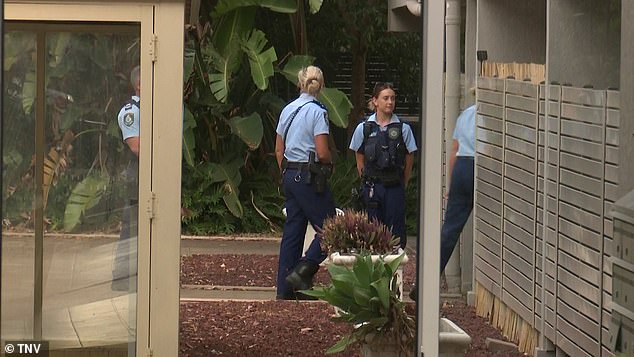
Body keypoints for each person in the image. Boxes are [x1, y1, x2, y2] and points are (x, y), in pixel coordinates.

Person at [274, 65, 336, 300]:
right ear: (321, 85)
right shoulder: (317, 112)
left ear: (300, 84)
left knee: (293, 231)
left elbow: (279, 149)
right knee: (331, 228)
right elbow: (322, 152)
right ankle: (304, 270)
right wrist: (330, 163)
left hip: (289, 174)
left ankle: (285, 288)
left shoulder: (288, 109)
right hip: (309, 176)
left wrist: (286, 172)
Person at [409, 102, 476, 301]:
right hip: (481, 164)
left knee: (449, 230)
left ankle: (424, 281)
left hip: (462, 166)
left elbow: (454, 149)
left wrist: (451, 185)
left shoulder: (466, 114)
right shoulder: (496, 115)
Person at [348, 82, 417, 249]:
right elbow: (359, 154)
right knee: (372, 231)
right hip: (372, 187)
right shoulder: (364, 128)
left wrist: (404, 182)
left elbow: (409, 156)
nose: (390, 102)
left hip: (394, 186)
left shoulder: (403, 128)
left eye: (393, 98)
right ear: (375, 101)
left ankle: (394, 268)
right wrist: (364, 178)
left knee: (395, 232)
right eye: (385, 98)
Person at [112, 65, 140, 292]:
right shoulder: (131, 112)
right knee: (131, 228)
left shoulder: (150, 108)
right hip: (138, 174)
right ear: (139, 84)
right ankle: (121, 279)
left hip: (149, 172)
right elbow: (136, 146)